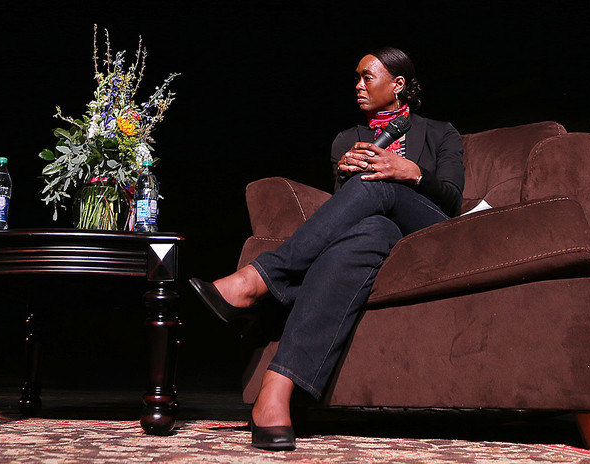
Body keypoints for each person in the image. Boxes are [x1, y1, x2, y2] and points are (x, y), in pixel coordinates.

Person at [188, 48, 463, 451]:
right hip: (381, 234)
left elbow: (452, 201)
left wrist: (412, 172)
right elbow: (345, 218)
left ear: (398, 84)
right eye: (356, 78)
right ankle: (275, 394)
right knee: (366, 233)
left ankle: (259, 280)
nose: (358, 85)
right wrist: (346, 172)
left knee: (381, 180)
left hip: (429, 231)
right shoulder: (346, 140)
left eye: (367, 77)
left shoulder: (441, 132)